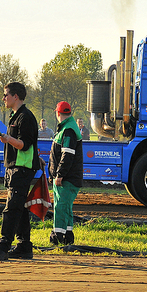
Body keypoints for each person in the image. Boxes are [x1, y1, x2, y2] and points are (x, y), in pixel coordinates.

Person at [0, 82, 40, 261]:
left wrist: (7, 138)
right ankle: (24, 246)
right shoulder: (15, 116)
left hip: (22, 168)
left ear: (15, 96)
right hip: (15, 168)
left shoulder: (25, 117)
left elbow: (23, 144)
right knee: (20, 208)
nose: (3, 98)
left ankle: (3, 246)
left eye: (6, 95)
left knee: (11, 208)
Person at [49, 101, 83, 245]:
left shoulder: (67, 130)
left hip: (66, 179)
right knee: (66, 208)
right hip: (69, 178)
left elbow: (67, 155)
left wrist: (59, 175)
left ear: (58, 113)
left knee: (60, 207)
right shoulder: (69, 128)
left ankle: (57, 237)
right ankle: (68, 237)